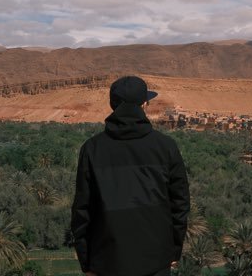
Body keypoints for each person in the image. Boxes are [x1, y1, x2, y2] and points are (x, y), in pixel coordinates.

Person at [71, 76, 190, 276]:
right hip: (156, 262)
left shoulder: (92, 149)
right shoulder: (166, 147)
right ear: (144, 104)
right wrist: (173, 251)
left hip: (106, 263)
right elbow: (180, 205)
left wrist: (87, 262)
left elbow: (82, 211)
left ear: (112, 105)